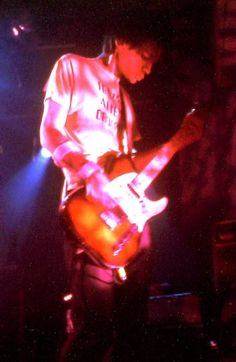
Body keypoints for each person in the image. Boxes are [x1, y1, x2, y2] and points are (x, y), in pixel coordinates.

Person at [40, 18, 203, 362]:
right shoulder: (73, 67)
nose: (148, 66)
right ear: (120, 42)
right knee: (94, 330)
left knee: (133, 329)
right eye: (144, 55)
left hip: (127, 219)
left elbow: (128, 168)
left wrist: (176, 142)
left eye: (153, 62)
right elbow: (50, 133)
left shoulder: (127, 105)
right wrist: (90, 173)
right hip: (87, 209)